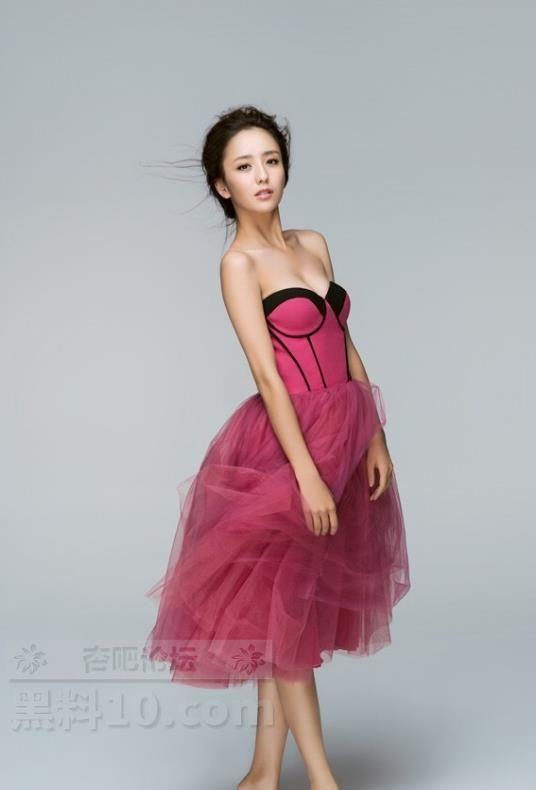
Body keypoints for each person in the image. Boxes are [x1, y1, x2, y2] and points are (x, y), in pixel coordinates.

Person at [143, 105, 411, 790]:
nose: (262, 175)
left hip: (343, 436)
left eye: (271, 160)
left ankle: (263, 774)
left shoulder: (313, 243)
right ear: (222, 184)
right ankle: (323, 781)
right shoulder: (239, 264)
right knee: (285, 616)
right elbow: (267, 375)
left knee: (283, 613)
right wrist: (306, 475)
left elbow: (345, 343)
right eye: (244, 166)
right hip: (285, 448)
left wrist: (375, 436)